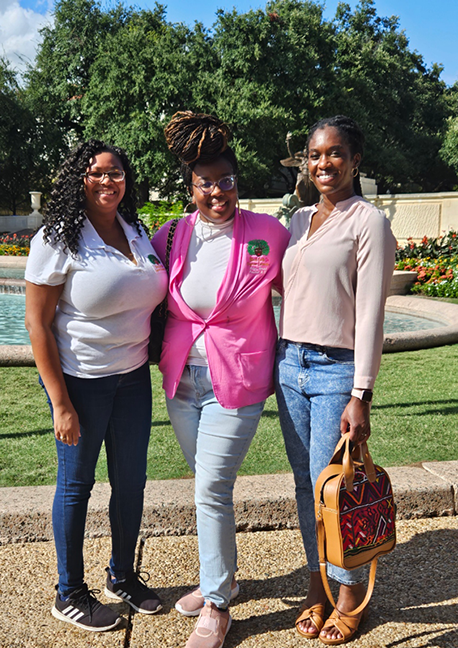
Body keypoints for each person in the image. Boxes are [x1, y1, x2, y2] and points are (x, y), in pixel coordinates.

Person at [151, 111, 290, 648]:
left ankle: (216, 604)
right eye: (206, 183)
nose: (217, 192)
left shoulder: (267, 234)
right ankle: (226, 577)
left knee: (211, 487)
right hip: (182, 380)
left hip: (239, 379)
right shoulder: (171, 235)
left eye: (226, 181)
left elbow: (297, 293)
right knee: (210, 487)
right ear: (190, 187)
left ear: (239, 183)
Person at [25, 139, 166, 632]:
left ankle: (121, 576)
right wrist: (60, 403)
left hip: (132, 380)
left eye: (117, 173)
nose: (108, 181)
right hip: (82, 383)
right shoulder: (58, 238)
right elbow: (38, 325)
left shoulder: (137, 229)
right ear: (78, 179)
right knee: (76, 486)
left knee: (131, 483)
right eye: (97, 172)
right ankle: (69, 593)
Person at [275, 115, 396, 645]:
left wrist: (361, 392)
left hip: (335, 371)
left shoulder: (368, 222)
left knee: (338, 490)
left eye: (334, 153)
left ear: (355, 160)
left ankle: (349, 597)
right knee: (307, 485)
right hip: (288, 365)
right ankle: (317, 585)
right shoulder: (299, 221)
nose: (324, 163)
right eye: (315, 154)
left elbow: (371, 312)